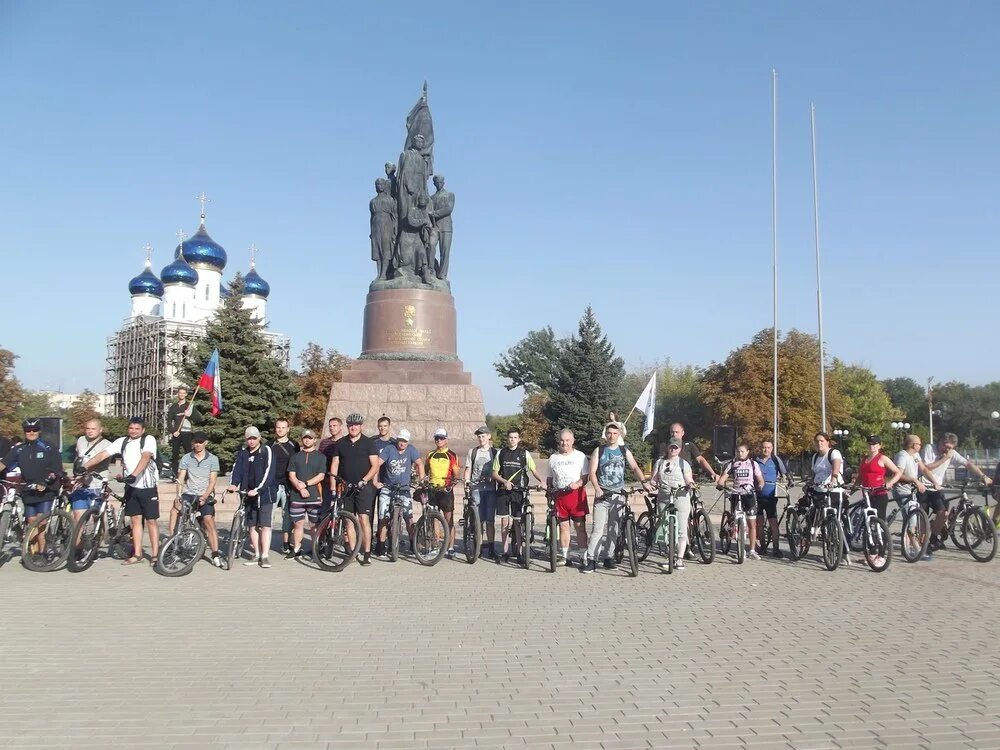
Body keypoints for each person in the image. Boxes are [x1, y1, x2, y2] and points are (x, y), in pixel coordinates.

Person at [84, 417, 160, 566]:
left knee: (151, 521)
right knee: (135, 520)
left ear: (143, 430)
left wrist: (134, 474)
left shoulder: (148, 439)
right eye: (131, 428)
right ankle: (137, 554)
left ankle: (156, 555)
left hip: (147, 487)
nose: (133, 431)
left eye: (137, 428)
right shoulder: (123, 441)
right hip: (131, 487)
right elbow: (103, 454)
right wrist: (85, 466)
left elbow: (145, 457)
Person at [582, 422, 651, 573]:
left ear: (619, 434)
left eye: (614, 433)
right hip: (602, 495)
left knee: (613, 529)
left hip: (618, 495)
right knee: (597, 529)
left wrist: (644, 482)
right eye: (609, 433)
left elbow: (634, 467)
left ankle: (608, 557)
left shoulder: (623, 450)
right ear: (605, 434)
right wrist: (597, 488)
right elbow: (592, 472)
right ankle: (592, 559)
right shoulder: (599, 450)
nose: (611, 436)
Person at [0, 419, 64, 551]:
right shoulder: (19, 449)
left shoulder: (49, 447)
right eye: (28, 430)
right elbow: (3, 464)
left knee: (41, 522)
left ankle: (43, 553)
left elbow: (56, 468)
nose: (31, 432)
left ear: (39, 431)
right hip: (28, 490)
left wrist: (44, 482)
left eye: (34, 430)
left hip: (46, 489)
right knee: (31, 522)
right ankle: (32, 554)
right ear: (24, 432)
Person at [922, 432, 993, 549]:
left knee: (943, 512)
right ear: (940, 441)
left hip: (937, 488)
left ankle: (934, 538)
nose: (947, 449)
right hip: (923, 486)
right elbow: (926, 467)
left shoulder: (951, 453)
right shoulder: (930, 448)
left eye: (950, 448)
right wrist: (945, 458)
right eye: (945, 446)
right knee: (922, 516)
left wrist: (983, 476)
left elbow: (968, 464)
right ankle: (920, 543)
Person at [329, 413, 379, 565]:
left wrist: (365, 480)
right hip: (346, 487)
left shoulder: (368, 443)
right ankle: (352, 552)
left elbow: (375, 465)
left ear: (360, 426)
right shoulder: (341, 443)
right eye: (350, 425)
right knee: (349, 521)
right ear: (347, 426)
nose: (353, 427)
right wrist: (333, 487)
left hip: (364, 488)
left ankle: (367, 553)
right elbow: (335, 465)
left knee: (364, 520)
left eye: (356, 425)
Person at [491, 428, 547, 564]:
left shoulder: (524, 453)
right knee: (505, 522)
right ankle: (505, 552)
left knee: (517, 522)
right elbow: (494, 473)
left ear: (519, 439)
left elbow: (533, 470)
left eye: (515, 437)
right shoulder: (501, 453)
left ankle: (520, 552)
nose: (512, 440)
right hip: (504, 490)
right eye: (510, 437)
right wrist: (504, 481)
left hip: (518, 491)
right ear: (507, 438)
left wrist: (542, 481)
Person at [170, 432, 222, 567]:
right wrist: (178, 495)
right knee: (175, 510)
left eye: (201, 442)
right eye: (196, 442)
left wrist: (205, 496)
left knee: (208, 520)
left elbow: (212, 481)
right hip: (190, 493)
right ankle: (172, 542)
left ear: (206, 443)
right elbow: (181, 478)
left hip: (206, 493)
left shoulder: (212, 459)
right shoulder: (187, 458)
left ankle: (215, 554)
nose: (198, 444)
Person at [227, 426, 277, 568]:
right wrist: (233, 484)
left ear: (259, 438)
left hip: (264, 495)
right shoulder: (243, 453)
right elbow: (236, 470)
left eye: (254, 438)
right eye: (249, 438)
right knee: (252, 526)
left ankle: (265, 555)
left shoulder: (266, 450)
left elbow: (269, 472)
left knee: (265, 525)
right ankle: (257, 554)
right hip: (247, 495)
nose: (251, 441)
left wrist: (258, 490)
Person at [373, 428, 424, 558]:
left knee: (409, 517)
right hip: (388, 487)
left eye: (405, 441)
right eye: (400, 440)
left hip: (404, 488)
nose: (402, 444)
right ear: (397, 439)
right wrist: (375, 481)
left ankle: (413, 544)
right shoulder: (389, 449)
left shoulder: (411, 450)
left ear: (408, 442)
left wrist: (421, 480)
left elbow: (420, 464)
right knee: (383, 517)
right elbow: (377, 464)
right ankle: (381, 545)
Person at [650, 439, 695, 571]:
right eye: (671, 447)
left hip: (680, 496)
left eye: (676, 448)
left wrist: (690, 484)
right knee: (666, 527)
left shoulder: (683, 463)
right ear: (667, 448)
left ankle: (680, 558)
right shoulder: (660, 462)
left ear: (680, 449)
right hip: (664, 496)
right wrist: (653, 484)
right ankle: (669, 556)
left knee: (681, 528)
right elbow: (654, 479)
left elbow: (688, 478)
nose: (673, 450)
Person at [546, 429, 589, 566]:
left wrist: (578, 484)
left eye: (567, 440)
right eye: (562, 440)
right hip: (560, 496)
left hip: (576, 496)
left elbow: (585, 477)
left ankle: (583, 556)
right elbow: (550, 478)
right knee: (563, 527)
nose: (565, 443)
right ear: (559, 441)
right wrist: (549, 491)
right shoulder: (553, 458)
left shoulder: (580, 456)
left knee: (579, 527)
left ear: (573, 441)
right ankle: (565, 556)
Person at [892, 434, 938, 560]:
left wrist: (935, 482)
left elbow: (924, 469)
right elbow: (898, 474)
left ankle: (905, 547)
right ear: (912, 445)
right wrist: (914, 480)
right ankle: (916, 549)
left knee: (910, 517)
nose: (920, 446)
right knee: (911, 519)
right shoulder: (902, 456)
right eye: (919, 444)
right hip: (901, 490)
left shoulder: (915, 455)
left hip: (911, 490)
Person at [716, 443, 765, 559]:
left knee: (751, 523)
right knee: (734, 518)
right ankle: (733, 533)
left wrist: (761, 485)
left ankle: (752, 550)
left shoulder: (753, 464)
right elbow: (724, 477)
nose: (740, 453)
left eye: (742, 451)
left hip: (748, 494)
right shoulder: (732, 464)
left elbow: (760, 479)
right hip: (736, 493)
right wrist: (720, 483)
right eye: (738, 451)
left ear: (748, 452)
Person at [286, 429, 326, 560]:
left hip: (314, 496)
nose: (307, 440)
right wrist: (299, 486)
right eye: (305, 438)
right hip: (297, 496)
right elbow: (291, 475)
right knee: (298, 524)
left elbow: (321, 476)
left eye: (310, 438)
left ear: (315, 440)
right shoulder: (295, 456)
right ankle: (296, 549)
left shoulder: (321, 456)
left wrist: (306, 484)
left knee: (314, 525)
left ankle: (315, 550)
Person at [425, 427, 461, 558]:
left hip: (445, 491)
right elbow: (425, 472)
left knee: (448, 520)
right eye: (437, 438)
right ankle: (435, 546)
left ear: (446, 439)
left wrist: (450, 486)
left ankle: (450, 547)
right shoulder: (430, 455)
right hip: (433, 490)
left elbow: (456, 476)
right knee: (434, 519)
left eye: (441, 438)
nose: (439, 440)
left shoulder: (452, 455)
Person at [464, 426, 497, 559]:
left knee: (490, 520)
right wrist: (467, 481)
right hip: (476, 489)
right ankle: (480, 546)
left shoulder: (495, 452)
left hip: (490, 489)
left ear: (489, 436)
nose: (481, 438)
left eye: (483, 436)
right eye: (479, 436)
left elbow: (497, 470)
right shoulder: (473, 452)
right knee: (478, 520)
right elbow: (468, 468)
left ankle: (491, 547)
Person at [70, 419, 112, 521]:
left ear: (100, 430)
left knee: (97, 518)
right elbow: (78, 458)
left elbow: (99, 462)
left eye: (93, 429)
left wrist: (82, 474)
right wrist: (75, 474)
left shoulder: (107, 444)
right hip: (81, 486)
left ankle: (99, 536)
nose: (90, 431)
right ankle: (77, 537)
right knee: (78, 518)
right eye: (88, 428)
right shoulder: (81, 440)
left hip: (97, 484)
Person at [269, 418, 300, 555]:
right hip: (273, 485)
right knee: (268, 516)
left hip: (288, 485)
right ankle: (264, 544)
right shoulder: (269, 445)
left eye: (283, 427)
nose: (280, 430)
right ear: (275, 429)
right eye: (278, 427)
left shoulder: (294, 445)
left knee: (287, 515)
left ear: (288, 429)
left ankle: (286, 543)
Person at [855, 435, 903, 521]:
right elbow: (860, 477)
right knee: (868, 520)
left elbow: (898, 472)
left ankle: (883, 533)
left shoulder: (882, 458)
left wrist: (890, 483)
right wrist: (852, 490)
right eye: (869, 444)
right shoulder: (864, 460)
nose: (871, 446)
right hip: (867, 494)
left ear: (879, 446)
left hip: (879, 493)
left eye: (874, 444)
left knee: (879, 520)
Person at [755, 439, 789, 558]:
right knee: (759, 522)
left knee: (773, 523)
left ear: (772, 448)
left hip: (770, 496)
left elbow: (784, 472)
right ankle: (762, 547)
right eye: (764, 447)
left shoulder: (775, 459)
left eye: (769, 447)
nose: (766, 450)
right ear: (760, 448)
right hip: (757, 496)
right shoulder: (755, 460)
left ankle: (776, 549)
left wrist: (788, 480)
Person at [166, 387, 202, 477]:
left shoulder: (189, 405)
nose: (181, 395)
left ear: (186, 394)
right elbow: (169, 421)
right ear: (178, 394)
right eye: (180, 393)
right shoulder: (174, 406)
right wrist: (173, 431)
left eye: (183, 393)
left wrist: (189, 415)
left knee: (188, 453)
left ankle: (188, 475)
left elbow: (197, 419)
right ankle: (175, 474)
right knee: (175, 454)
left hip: (187, 433)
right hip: (176, 433)